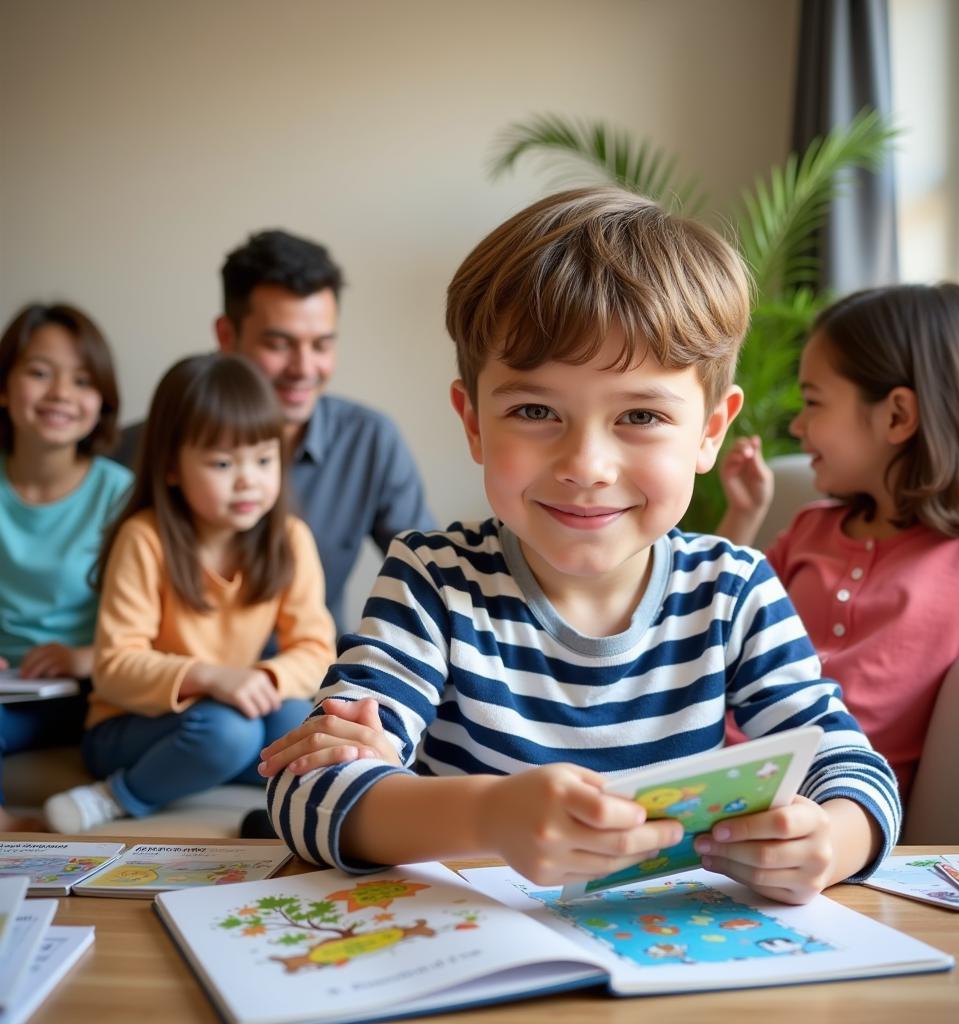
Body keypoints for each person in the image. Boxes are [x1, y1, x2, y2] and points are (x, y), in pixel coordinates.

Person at [258, 187, 900, 905]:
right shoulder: (432, 580)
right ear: (473, 422)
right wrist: (489, 817)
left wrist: (832, 840)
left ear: (711, 430)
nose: (585, 464)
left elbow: (852, 767)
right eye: (535, 410)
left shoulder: (736, 590)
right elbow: (307, 792)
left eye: (640, 414)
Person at [716, 283, 959, 799]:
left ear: (897, 416)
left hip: (836, 803)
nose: (796, 425)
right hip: (707, 773)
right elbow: (711, 633)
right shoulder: (811, 528)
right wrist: (743, 516)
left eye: (813, 402)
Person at [43, 354, 336, 832]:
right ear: (172, 467)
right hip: (130, 725)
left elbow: (316, 649)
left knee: (294, 720)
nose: (248, 480)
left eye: (264, 459)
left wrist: (260, 677)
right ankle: (117, 795)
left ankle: (260, 792)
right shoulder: (145, 537)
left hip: (225, 715)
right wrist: (211, 677)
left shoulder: (289, 538)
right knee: (227, 731)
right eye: (223, 462)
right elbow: (114, 667)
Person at [114, 229, 434, 633]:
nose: (303, 368)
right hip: (175, 683)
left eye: (321, 345)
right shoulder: (141, 446)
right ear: (226, 336)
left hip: (307, 680)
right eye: (280, 344)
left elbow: (430, 580)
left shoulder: (369, 440)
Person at [0, 302, 131, 831]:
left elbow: (155, 624)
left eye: (82, 380)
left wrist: (82, 657)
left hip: (90, 690)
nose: (60, 394)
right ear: (5, 387)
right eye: (39, 372)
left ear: (101, 402)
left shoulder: (119, 494)